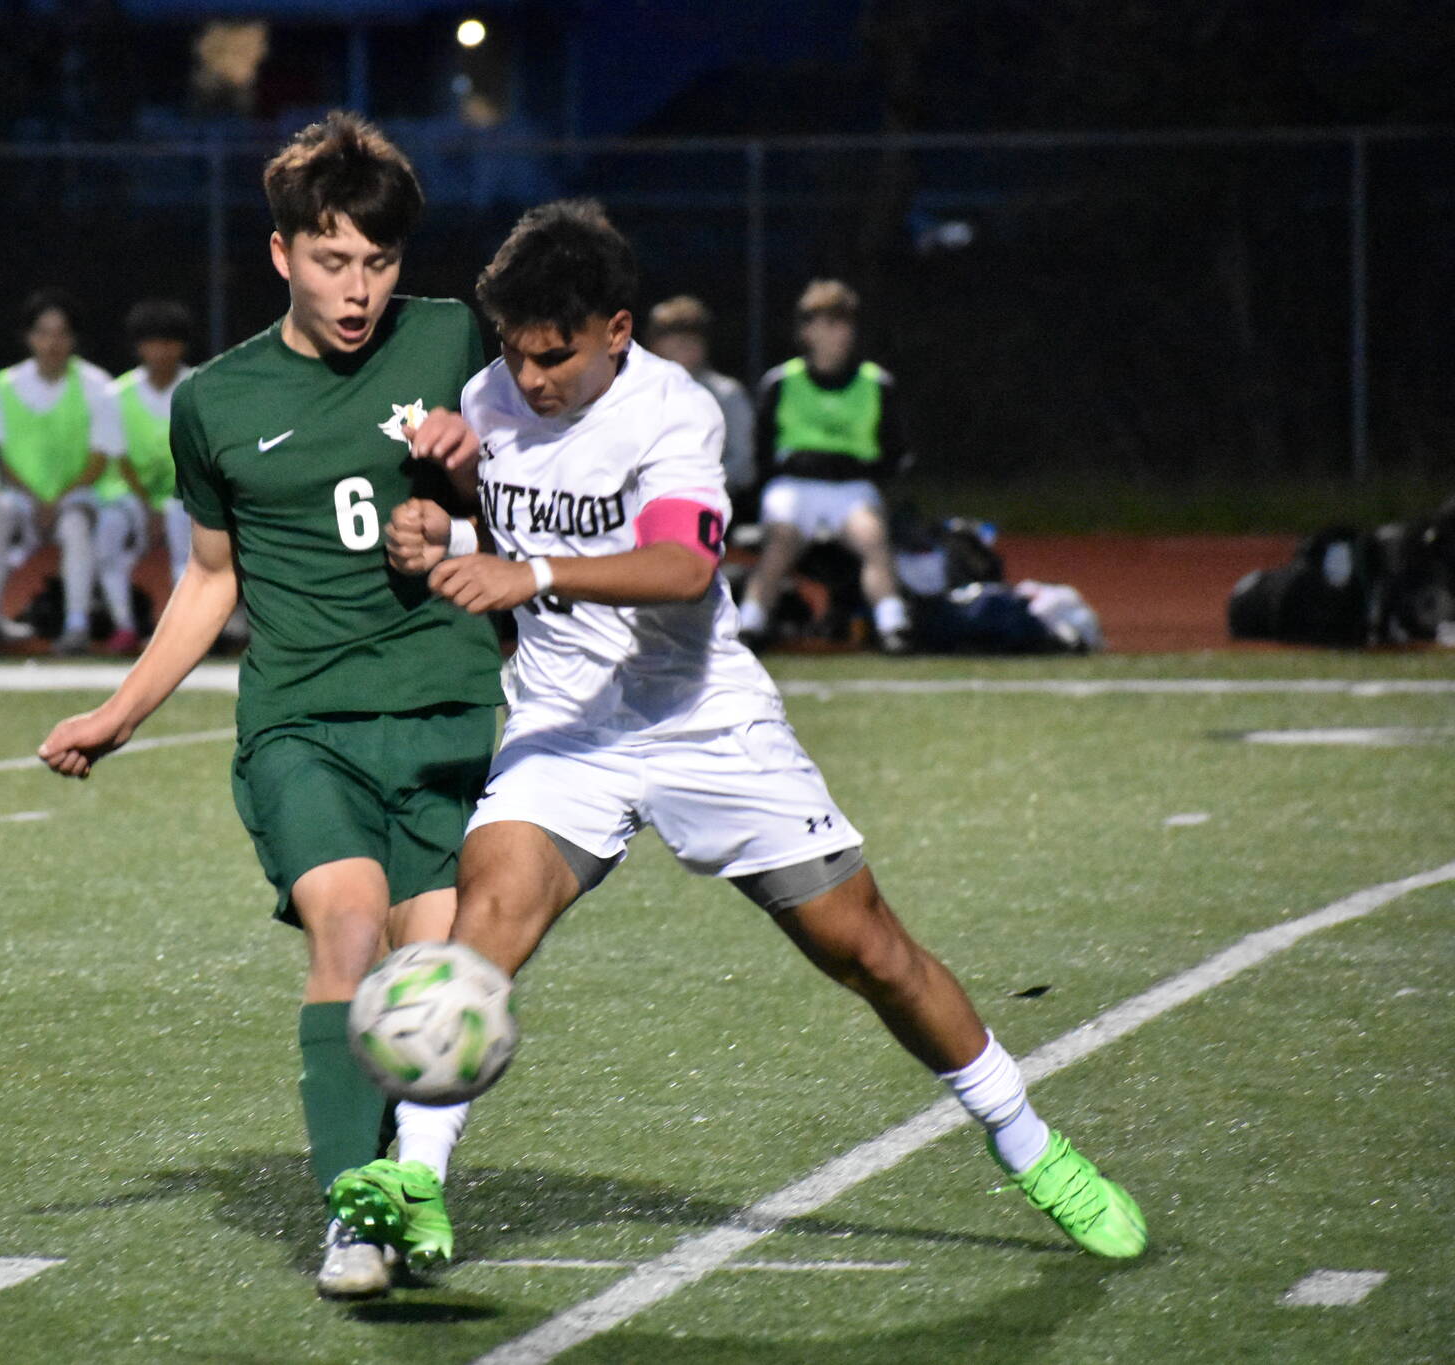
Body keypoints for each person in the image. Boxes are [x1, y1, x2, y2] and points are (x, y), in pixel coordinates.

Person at [385, 200, 1147, 1260]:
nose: (530, 378)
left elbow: (684, 568)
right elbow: (488, 517)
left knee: (868, 952)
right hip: (564, 726)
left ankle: (1029, 1147)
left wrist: (532, 570)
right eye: (512, 355)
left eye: (552, 355)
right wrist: (439, 517)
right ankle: (415, 1181)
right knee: (488, 915)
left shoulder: (673, 411)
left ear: (617, 327)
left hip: (700, 722)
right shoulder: (488, 397)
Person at [37, 112, 504, 1300]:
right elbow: (209, 577)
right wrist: (119, 712)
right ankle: (353, 1214)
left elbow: (540, 500)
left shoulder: (454, 342)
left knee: (434, 977)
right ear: (281, 253)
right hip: (303, 723)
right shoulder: (215, 401)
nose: (358, 291)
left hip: (449, 715)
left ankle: (403, 1173)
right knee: (346, 927)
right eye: (334, 260)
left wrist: (466, 491)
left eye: (380, 263)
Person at [736, 280, 913, 651]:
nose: (840, 333)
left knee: (872, 538)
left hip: (851, 488)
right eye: (828, 324)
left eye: (845, 324)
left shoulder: (876, 383)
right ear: (807, 331)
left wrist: (851, 468)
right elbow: (762, 453)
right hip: (794, 486)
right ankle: (749, 626)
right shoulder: (781, 382)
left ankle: (894, 625)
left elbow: (895, 453)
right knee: (781, 541)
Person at [0, 289, 124, 658]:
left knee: (76, 527)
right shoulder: (6, 384)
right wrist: (36, 500)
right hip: (23, 496)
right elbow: (1, 454)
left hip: (78, 495)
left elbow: (100, 457)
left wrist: (58, 500)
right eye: (44, 332)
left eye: (61, 333)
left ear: (74, 339)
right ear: (29, 338)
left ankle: (77, 626)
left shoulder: (98, 386)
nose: (53, 342)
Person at [102, 298, 200, 646]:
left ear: (182, 345)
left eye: (169, 341)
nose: (161, 350)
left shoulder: (199, 389)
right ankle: (124, 624)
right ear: (139, 346)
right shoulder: (116, 394)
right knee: (109, 534)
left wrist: (167, 504)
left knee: (184, 541)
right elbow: (120, 458)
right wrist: (147, 507)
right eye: (153, 342)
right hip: (132, 495)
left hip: (185, 494)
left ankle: (183, 631)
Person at [644, 295, 754, 512]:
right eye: (674, 338)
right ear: (654, 344)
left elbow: (744, 466)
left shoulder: (728, 394)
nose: (684, 346)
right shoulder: (633, 393)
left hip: (710, 503)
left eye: (692, 338)